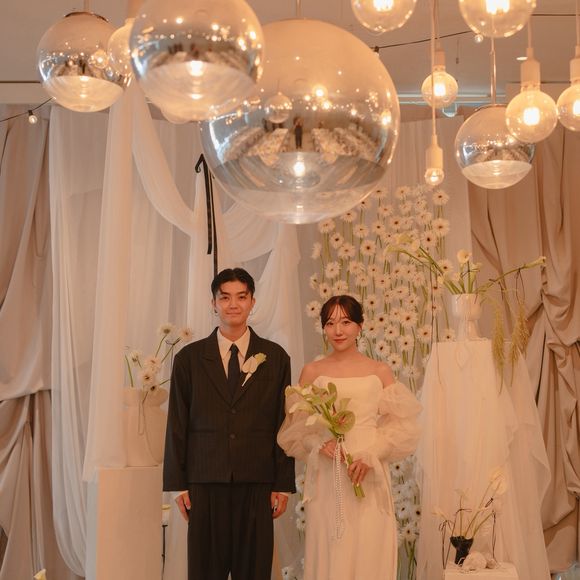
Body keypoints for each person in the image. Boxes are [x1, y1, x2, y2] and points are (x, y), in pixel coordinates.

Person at [163, 268, 295, 580]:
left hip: (258, 480)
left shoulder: (275, 357)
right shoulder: (188, 359)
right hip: (204, 480)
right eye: (225, 298)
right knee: (205, 571)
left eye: (241, 297)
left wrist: (283, 484)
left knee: (255, 570)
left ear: (252, 302)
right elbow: (177, 423)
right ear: (214, 303)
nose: (233, 304)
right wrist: (177, 485)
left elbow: (284, 423)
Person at [278, 295, 421, 580]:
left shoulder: (379, 371)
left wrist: (372, 454)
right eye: (330, 323)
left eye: (345, 322)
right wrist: (319, 443)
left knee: (369, 545)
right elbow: (297, 428)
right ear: (323, 328)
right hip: (328, 472)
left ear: (360, 325)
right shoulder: (312, 372)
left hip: (368, 470)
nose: (338, 330)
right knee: (332, 544)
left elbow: (402, 426)